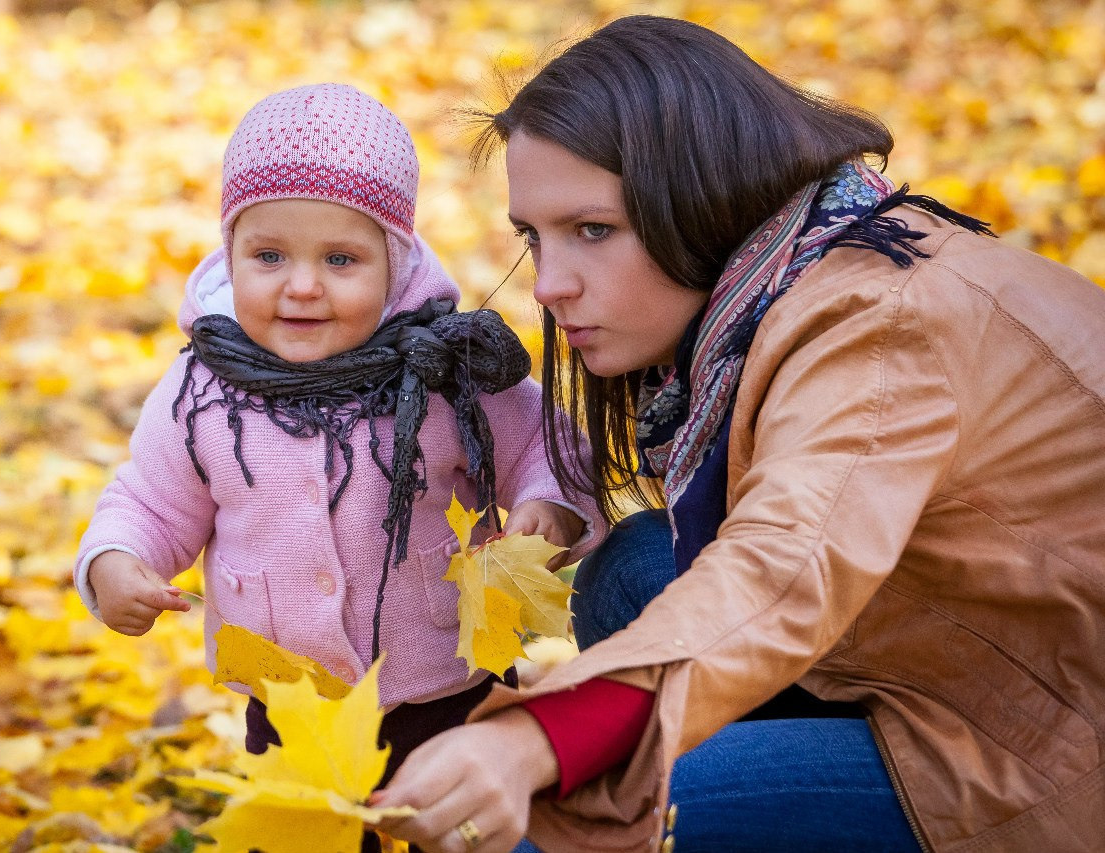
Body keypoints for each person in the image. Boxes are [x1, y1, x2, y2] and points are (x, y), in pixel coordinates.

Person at [372, 16, 1105, 853]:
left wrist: (534, 737)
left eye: (594, 230)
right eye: (535, 238)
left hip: (1050, 753)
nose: (549, 284)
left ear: (698, 194)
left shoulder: (877, 332)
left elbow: (781, 570)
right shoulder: (813, 260)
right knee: (630, 568)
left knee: (571, 827)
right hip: (980, 664)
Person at [73, 83, 599, 786]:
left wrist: (547, 505)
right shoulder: (202, 391)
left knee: (450, 822)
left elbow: (546, 444)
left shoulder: (440, 370)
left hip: (448, 683)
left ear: (397, 264)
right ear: (230, 255)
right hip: (291, 701)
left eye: (340, 260)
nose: (302, 286)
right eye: (269, 257)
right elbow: (149, 500)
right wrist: (116, 560)